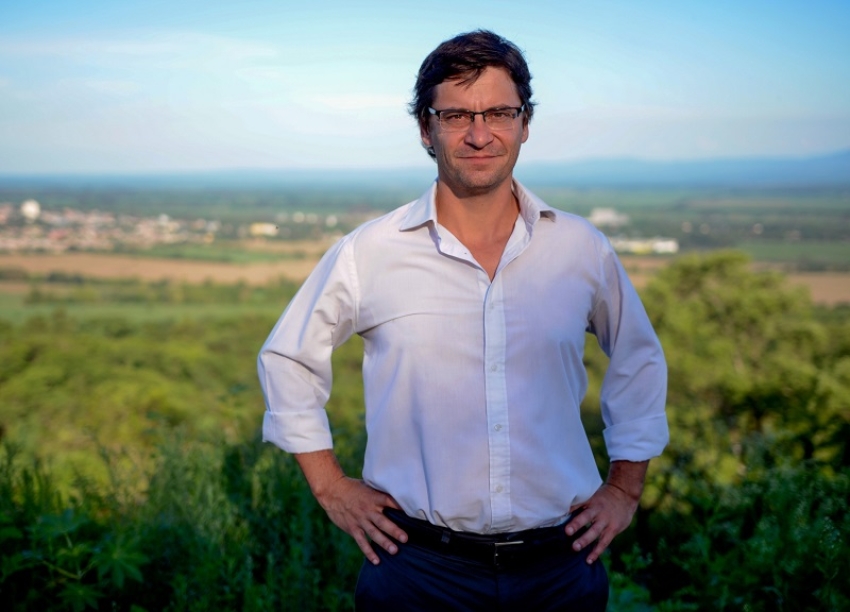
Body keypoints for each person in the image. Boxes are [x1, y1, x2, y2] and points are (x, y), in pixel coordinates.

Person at [258, 29, 668, 611]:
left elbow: (638, 358)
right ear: (425, 129)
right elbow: (287, 359)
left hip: (560, 570)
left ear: (525, 123)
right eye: (455, 116)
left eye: (499, 112)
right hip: (417, 573)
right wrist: (329, 486)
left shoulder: (581, 248)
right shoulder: (370, 252)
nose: (480, 134)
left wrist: (625, 488)